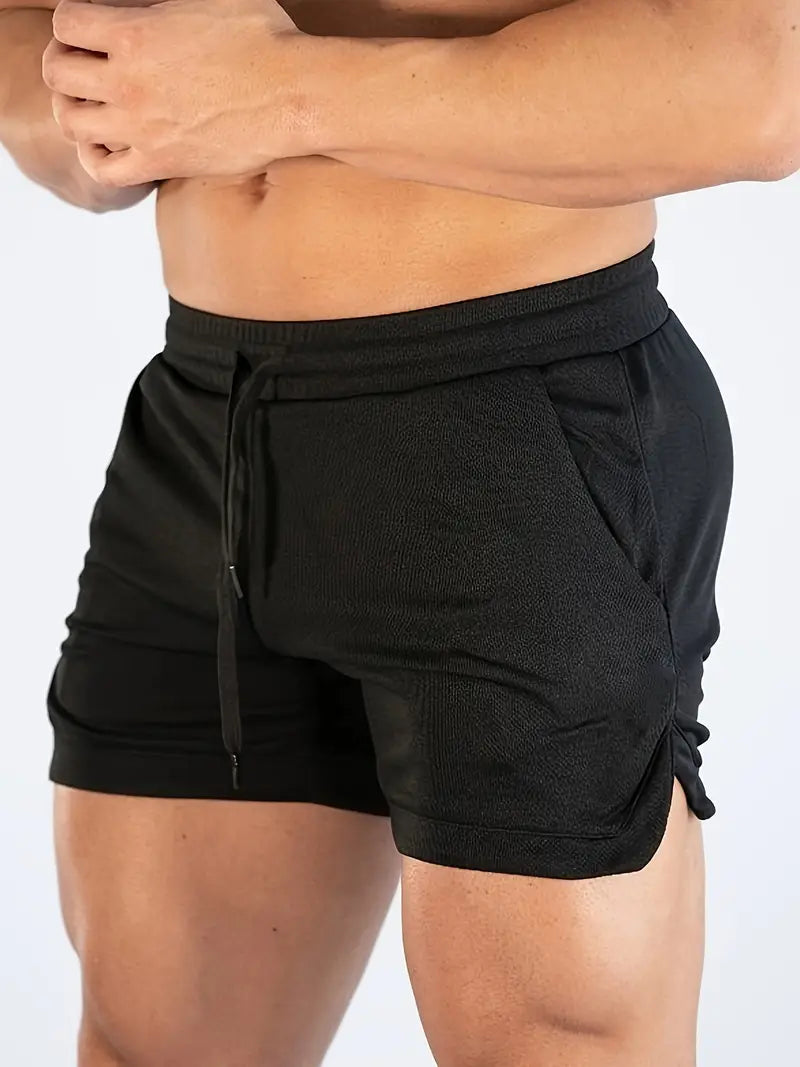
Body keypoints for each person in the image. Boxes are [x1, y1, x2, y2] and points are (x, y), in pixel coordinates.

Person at [1, 0, 796, 1062]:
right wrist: (103, 108)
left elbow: (761, 77)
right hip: (209, 423)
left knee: (551, 1044)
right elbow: (26, 48)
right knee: (148, 1041)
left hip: (510, 414)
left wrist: (276, 91)